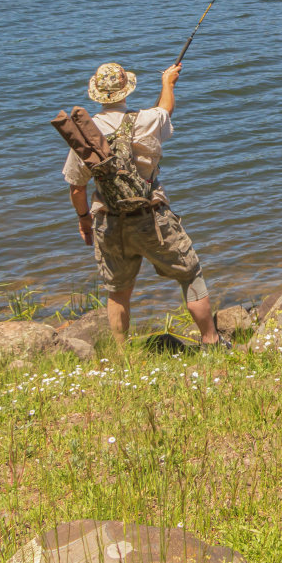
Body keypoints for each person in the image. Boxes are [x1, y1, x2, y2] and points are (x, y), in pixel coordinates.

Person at [63, 61, 225, 349]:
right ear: (127, 89)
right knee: (190, 274)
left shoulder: (86, 135)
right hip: (152, 218)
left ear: (97, 94)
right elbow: (165, 110)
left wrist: (84, 218)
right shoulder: (148, 120)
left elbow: (77, 186)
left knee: (118, 290)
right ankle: (211, 341)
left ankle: (121, 355)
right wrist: (168, 83)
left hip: (109, 222)